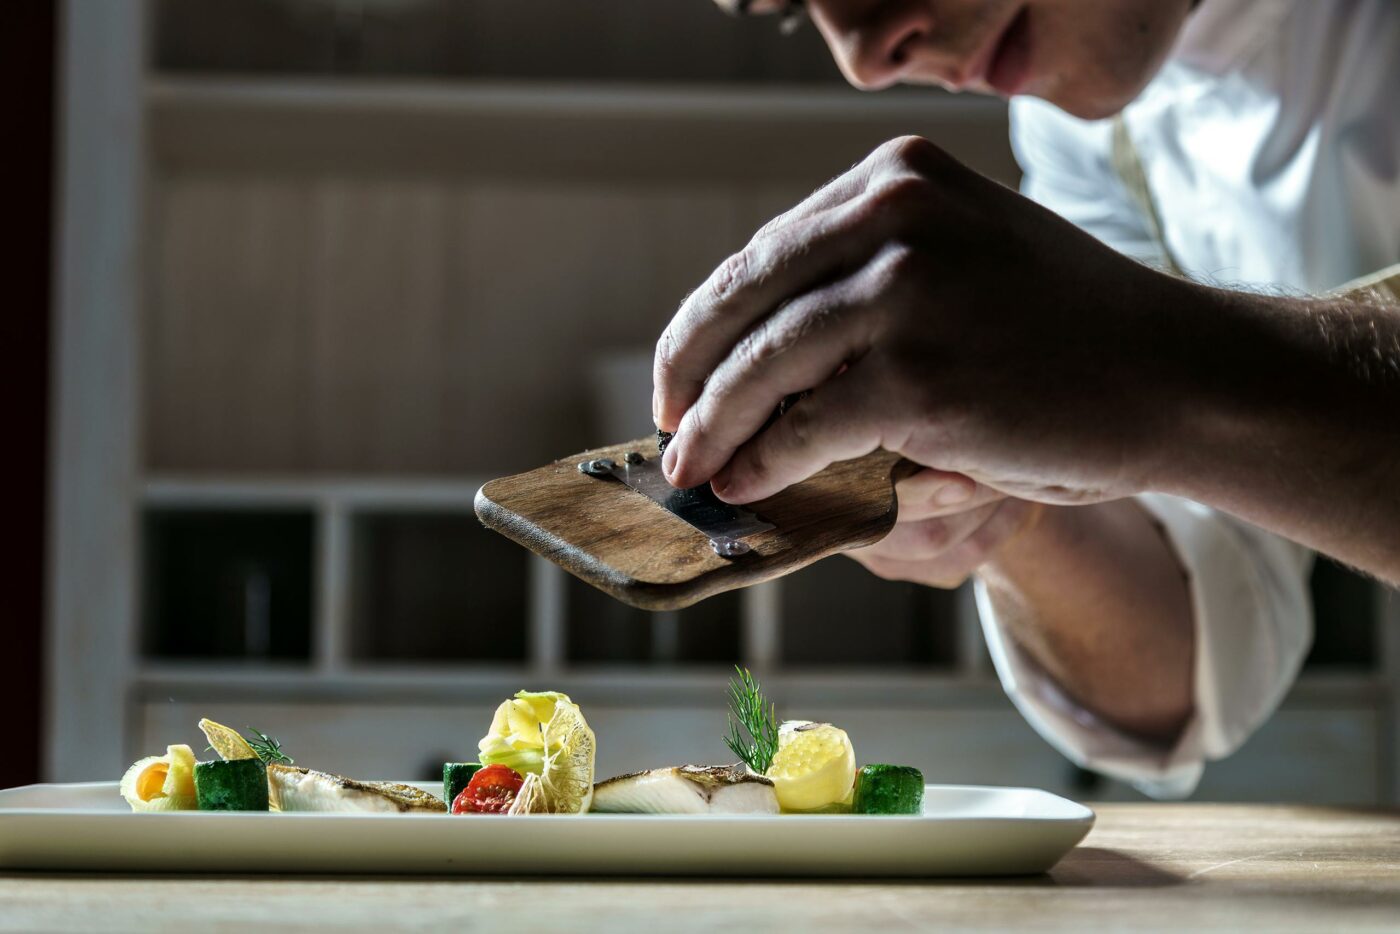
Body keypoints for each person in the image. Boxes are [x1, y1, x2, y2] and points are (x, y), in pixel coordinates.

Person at [655, 0, 1400, 796]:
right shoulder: (1084, 131)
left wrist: (1150, 365)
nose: (865, 59)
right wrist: (1009, 505)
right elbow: (1180, 667)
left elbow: (1156, 394)